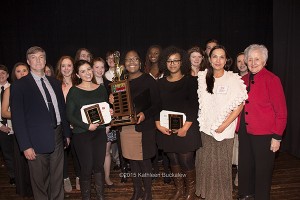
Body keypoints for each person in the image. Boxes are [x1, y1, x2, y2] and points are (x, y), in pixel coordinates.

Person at [10, 46, 71, 200]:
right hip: (35, 141)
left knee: (57, 178)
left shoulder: (55, 83)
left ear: (45, 60)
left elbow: (61, 110)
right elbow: (17, 118)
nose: (38, 60)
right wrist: (25, 145)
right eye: (33, 57)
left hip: (58, 136)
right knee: (39, 182)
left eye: (41, 57)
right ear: (28, 61)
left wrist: (67, 134)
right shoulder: (19, 86)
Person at [195, 45, 248, 200]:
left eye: (221, 57)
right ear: (209, 59)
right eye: (215, 57)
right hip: (205, 130)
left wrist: (224, 125)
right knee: (206, 165)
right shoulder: (203, 77)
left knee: (222, 167)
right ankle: (207, 194)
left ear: (226, 60)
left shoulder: (233, 79)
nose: (218, 60)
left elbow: (239, 105)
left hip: (225, 131)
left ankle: (222, 196)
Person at [237, 44, 287, 200]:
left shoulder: (272, 79)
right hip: (245, 131)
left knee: (263, 171)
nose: (253, 62)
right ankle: (245, 194)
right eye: (250, 59)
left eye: (257, 59)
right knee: (245, 166)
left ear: (264, 61)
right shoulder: (242, 80)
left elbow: (281, 112)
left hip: (265, 134)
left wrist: (277, 137)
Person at [110, 50, 160, 200]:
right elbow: (120, 103)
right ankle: (137, 190)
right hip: (126, 128)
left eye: (135, 59)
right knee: (132, 160)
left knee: (144, 162)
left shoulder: (148, 80)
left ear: (140, 62)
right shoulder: (121, 80)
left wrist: (145, 114)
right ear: (124, 64)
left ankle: (148, 194)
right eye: (128, 60)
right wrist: (113, 100)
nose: (132, 62)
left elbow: (158, 105)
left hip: (143, 128)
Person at [155, 46, 201, 200]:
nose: (172, 64)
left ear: (182, 62)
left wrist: (185, 128)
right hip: (167, 129)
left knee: (186, 161)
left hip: (187, 128)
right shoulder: (160, 83)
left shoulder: (190, 81)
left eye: (176, 60)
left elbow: (194, 106)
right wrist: (158, 125)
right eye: (169, 61)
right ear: (164, 63)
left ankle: (190, 192)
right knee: (173, 160)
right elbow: (156, 105)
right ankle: (180, 190)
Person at [66, 60, 109, 200]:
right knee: (86, 167)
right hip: (82, 134)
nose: (87, 73)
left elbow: (104, 108)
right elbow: (69, 115)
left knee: (98, 166)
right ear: (78, 74)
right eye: (83, 71)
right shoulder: (74, 91)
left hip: (100, 132)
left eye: (89, 69)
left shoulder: (101, 88)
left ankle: (101, 196)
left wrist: (110, 112)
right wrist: (86, 126)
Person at [1, 62, 32, 197]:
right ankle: (24, 190)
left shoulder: (34, 87)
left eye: (24, 70)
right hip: (18, 130)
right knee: (21, 162)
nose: (21, 73)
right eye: (18, 71)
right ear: (14, 74)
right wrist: (21, 114)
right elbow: (4, 112)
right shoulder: (10, 89)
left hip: (34, 130)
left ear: (29, 72)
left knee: (35, 162)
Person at [55, 55, 81, 192]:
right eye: (63, 65)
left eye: (69, 65)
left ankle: (78, 177)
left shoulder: (79, 82)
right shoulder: (55, 84)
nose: (66, 68)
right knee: (62, 155)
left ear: (73, 67)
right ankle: (65, 178)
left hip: (77, 125)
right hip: (61, 125)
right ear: (59, 68)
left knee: (78, 153)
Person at [92, 57, 114, 188]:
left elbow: (113, 106)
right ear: (92, 68)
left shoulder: (109, 84)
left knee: (107, 151)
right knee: (94, 153)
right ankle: (96, 179)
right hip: (92, 125)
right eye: (97, 67)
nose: (100, 70)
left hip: (107, 124)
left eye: (102, 67)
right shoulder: (86, 83)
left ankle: (106, 177)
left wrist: (108, 124)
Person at [232, 52, 248, 187]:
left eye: (244, 61)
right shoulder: (233, 79)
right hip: (234, 120)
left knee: (243, 151)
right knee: (236, 151)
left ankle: (241, 178)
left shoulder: (254, 78)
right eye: (239, 61)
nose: (242, 64)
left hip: (247, 121)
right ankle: (238, 175)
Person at [0, 64, 15, 186]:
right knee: (7, 154)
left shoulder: (14, 88)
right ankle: (13, 176)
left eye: (3, 73)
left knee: (18, 152)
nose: (1, 75)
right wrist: (0, 126)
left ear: (8, 75)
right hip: (0, 128)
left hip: (15, 126)